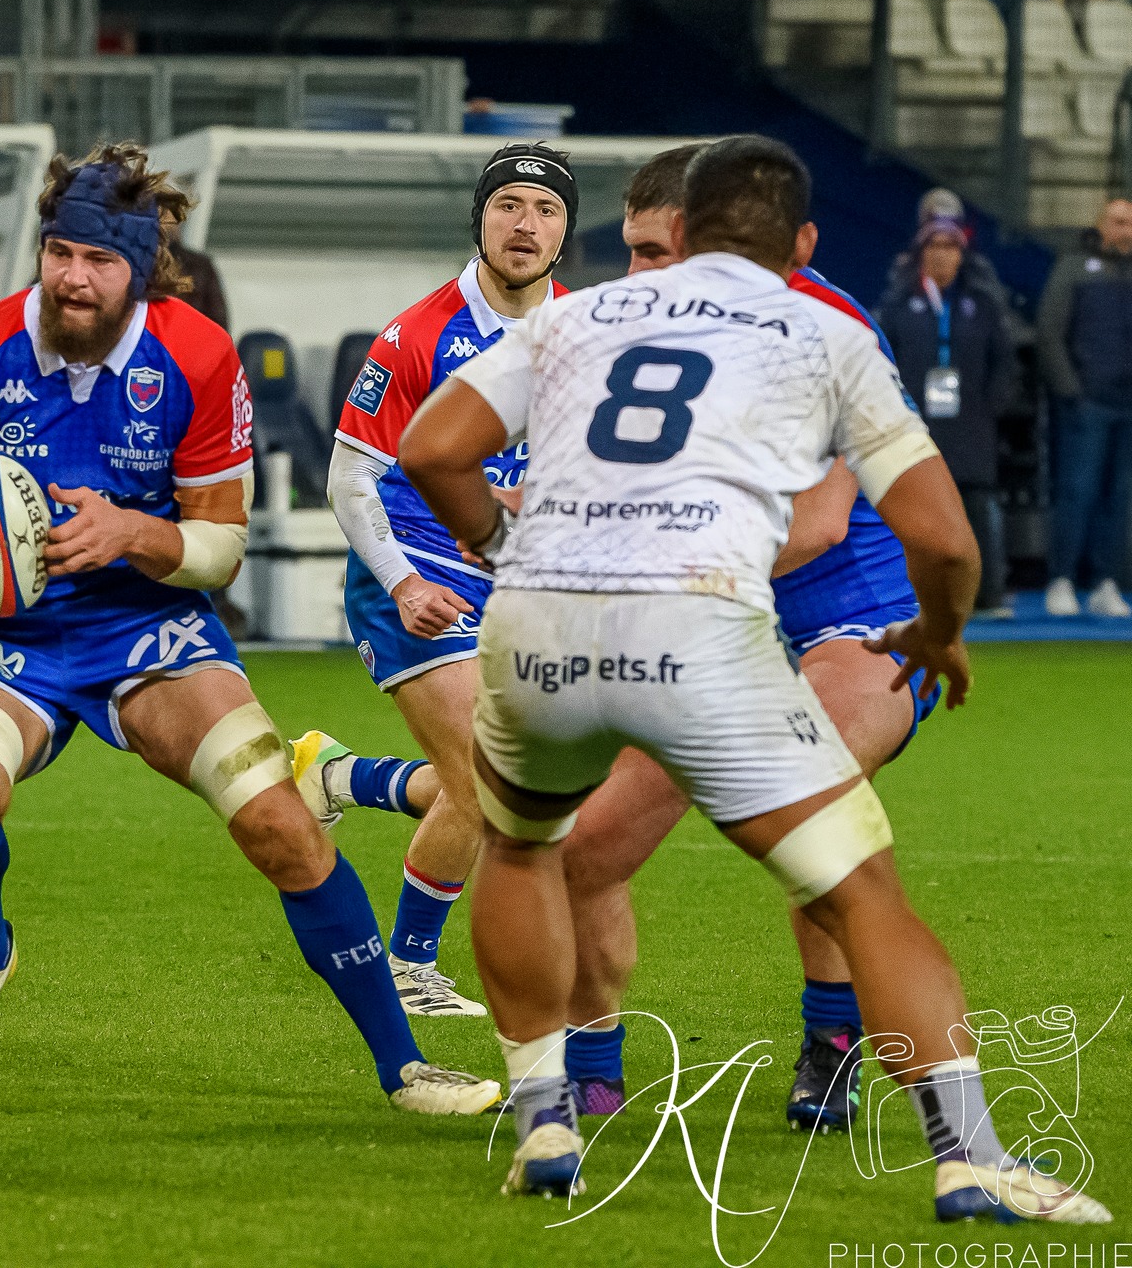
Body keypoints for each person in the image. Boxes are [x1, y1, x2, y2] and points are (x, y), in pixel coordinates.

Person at [399, 134, 1109, 1224]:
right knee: (849, 878)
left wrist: (510, 546)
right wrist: (946, 630)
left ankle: (553, 1107)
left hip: (586, 623)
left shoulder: (574, 315)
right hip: (703, 624)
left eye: (649, 245)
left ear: (680, 234)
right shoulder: (817, 329)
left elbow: (429, 446)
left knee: (521, 842)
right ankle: (968, 1155)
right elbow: (949, 541)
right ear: (800, 238)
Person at [0, 143, 500, 1116]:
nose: (72, 278)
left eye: (98, 262)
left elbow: (220, 548)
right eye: (60, 253)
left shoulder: (193, 354)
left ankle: (403, 1065)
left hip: (146, 623)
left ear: (139, 271)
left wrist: (130, 531)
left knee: (279, 825)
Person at [313, 143, 948, 1137]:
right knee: (579, 852)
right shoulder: (608, 321)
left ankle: (852, 1060)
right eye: (638, 253)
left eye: (665, 250)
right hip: (696, 615)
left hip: (839, 612)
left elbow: (820, 526)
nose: (647, 273)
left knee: (821, 833)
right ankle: (590, 1076)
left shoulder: (822, 325)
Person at [294, 143, 572, 1020]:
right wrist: (404, 581)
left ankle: (340, 779)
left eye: (546, 208)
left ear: (566, 228)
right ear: (481, 217)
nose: (525, 224)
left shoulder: (590, 334)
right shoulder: (417, 335)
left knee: (512, 781)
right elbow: (348, 477)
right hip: (417, 575)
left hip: (519, 584)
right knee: (494, 780)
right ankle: (411, 963)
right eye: (509, 205)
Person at [881, 216, 1018, 615]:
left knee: (978, 505)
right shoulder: (899, 304)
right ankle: (912, 594)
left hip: (971, 422)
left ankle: (989, 592)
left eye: (951, 247)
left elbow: (1004, 361)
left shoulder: (981, 303)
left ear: (963, 255)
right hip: (914, 423)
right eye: (935, 246)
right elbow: (880, 359)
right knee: (911, 507)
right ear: (921, 254)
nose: (943, 255)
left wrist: (993, 405)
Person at [1036, 197, 1132, 618]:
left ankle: (1105, 583)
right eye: (1117, 221)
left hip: (1127, 407)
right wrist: (1070, 390)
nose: (1124, 230)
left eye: (1130, 223)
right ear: (1100, 225)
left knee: (1120, 497)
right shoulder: (1074, 268)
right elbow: (1050, 331)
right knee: (1077, 493)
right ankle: (1062, 580)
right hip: (1087, 405)